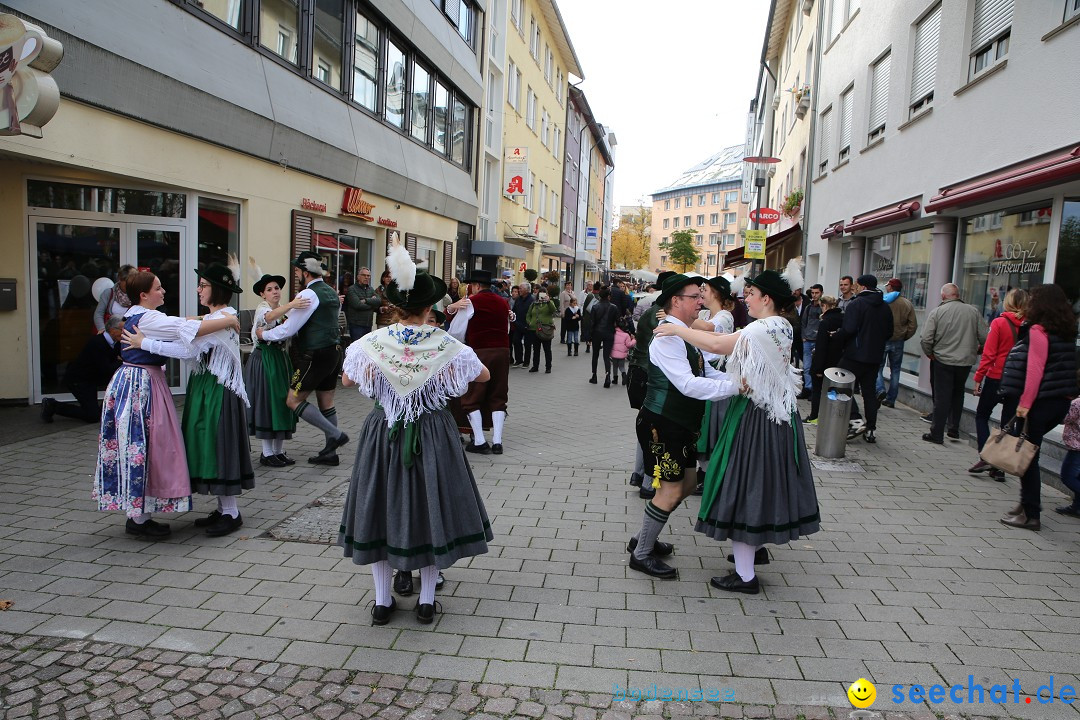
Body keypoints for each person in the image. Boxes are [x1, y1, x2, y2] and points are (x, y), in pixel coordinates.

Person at [338, 257, 493, 625]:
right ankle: (425, 602)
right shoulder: (444, 342)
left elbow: (346, 380)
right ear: (429, 308)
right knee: (429, 506)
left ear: (394, 307)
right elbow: (482, 375)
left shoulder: (373, 341)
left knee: (377, 507)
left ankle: (380, 601)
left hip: (383, 429)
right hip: (432, 430)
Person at [654, 269, 818, 594]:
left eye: (751, 293)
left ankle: (745, 577)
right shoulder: (781, 324)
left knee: (744, 487)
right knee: (761, 484)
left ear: (766, 298)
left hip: (757, 417)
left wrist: (677, 329)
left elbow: (717, 342)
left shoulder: (764, 327)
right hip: (775, 415)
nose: (746, 298)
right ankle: (755, 552)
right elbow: (718, 338)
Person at [94, 271, 240, 538]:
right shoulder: (149, 317)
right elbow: (184, 332)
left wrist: (217, 319)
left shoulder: (138, 315)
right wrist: (228, 320)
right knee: (146, 443)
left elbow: (180, 324)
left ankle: (138, 515)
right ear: (144, 295)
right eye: (159, 288)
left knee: (140, 444)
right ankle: (138, 518)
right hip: (142, 384)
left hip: (135, 381)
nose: (163, 292)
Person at [628, 274, 736, 579]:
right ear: (677, 301)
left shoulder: (684, 333)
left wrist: (735, 382)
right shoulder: (667, 337)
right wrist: (735, 389)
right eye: (695, 297)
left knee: (687, 485)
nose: (701, 302)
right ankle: (641, 553)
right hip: (663, 424)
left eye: (701, 296)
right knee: (671, 490)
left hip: (680, 423)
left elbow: (704, 370)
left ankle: (644, 536)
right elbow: (688, 384)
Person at [257, 251, 350, 466]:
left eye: (298, 270)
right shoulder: (330, 291)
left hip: (315, 354)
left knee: (293, 400)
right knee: (326, 401)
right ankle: (330, 454)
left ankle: (335, 434)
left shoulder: (308, 295)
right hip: (334, 351)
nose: (296, 274)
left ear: (306, 272)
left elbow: (288, 329)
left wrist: (264, 335)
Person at [996, 284, 1077, 530]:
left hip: (1039, 403)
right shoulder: (1066, 331)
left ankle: (1031, 514)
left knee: (1028, 457)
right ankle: (1025, 504)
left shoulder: (1039, 331)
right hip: (1059, 402)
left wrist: (1024, 406)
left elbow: (1035, 371)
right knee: (1032, 453)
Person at [447, 270, 513, 454]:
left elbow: (456, 332)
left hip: (479, 352)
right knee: (498, 394)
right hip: (502, 352)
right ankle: (498, 442)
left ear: (475, 286)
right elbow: (506, 328)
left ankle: (480, 441)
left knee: (472, 395)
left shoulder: (471, 302)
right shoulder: (503, 302)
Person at [626, 271, 676, 493]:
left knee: (645, 426)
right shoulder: (662, 314)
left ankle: (638, 474)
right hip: (650, 376)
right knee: (653, 428)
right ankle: (647, 481)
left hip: (639, 372)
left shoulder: (654, 310)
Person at [920, 283, 988, 446]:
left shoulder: (937, 312)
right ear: (958, 295)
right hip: (964, 361)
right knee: (958, 393)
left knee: (942, 396)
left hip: (942, 359)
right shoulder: (973, 312)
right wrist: (977, 350)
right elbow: (985, 337)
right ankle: (953, 428)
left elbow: (926, 338)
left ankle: (937, 432)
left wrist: (930, 353)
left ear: (943, 296)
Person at [969, 288, 1026, 480]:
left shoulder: (1000, 323)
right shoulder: (1029, 326)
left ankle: (987, 457)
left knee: (982, 415)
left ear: (1008, 302)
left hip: (997, 376)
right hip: (1018, 380)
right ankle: (998, 467)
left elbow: (989, 354)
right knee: (1007, 423)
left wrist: (978, 378)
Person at [244, 274, 299, 468]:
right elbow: (269, 318)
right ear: (262, 294)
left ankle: (278, 450)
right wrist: (293, 304)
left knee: (282, 402)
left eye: (276, 288)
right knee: (268, 403)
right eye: (269, 289)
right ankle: (267, 453)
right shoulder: (263, 310)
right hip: (265, 359)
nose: (275, 291)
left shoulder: (282, 311)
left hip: (280, 359)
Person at [690, 276, 736, 493]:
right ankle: (704, 471)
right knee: (704, 427)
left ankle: (711, 474)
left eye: (705, 289)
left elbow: (707, 328)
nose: (702, 293)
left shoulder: (724, 316)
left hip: (718, 377)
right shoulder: (705, 313)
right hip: (704, 375)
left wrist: (679, 318)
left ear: (716, 292)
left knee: (712, 428)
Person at [836, 275, 893, 443]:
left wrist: (838, 337)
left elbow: (849, 329)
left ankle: (855, 419)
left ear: (861, 287)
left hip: (855, 354)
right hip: (875, 356)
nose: (855, 288)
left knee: (838, 383)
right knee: (869, 393)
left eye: (857, 286)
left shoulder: (857, 304)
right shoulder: (884, 306)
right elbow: (889, 332)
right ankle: (871, 429)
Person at [42, 315, 123, 423]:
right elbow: (106, 368)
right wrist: (120, 361)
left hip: (91, 379)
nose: (124, 333)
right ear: (113, 330)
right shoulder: (98, 343)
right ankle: (53, 405)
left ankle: (105, 410)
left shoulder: (115, 343)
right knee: (92, 416)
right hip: (79, 381)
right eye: (122, 330)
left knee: (96, 411)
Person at [875, 278, 917, 409]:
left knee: (878, 367)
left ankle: (880, 389)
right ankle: (891, 399)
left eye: (887, 286)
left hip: (883, 338)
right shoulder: (907, 303)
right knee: (896, 370)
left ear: (891, 288)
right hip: (898, 340)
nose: (886, 288)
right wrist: (904, 336)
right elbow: (913, 325)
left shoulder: (883, 302)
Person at [805, 295, 843, 424]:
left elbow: (821, 346)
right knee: (833, 391)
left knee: (817, 391)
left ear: (824, 306)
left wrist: (817, 368)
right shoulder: (843, 319)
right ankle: (832, 417)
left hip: (824, 362)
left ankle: (814, 416)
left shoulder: (825, 321)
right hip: (838, 361)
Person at [589, 288, 620, 387]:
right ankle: (607, 376)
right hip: (609, 333)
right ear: (608, 296)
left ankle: (594, 376)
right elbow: (618, 322)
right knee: (606, 356)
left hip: (597, 333)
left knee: (595, 355)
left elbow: (592, 323)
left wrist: (589, 337)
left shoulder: (595, 307)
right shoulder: (614, 307)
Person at [1055, 396, 1080, 519]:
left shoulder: (1077, 403)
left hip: (1077, 448)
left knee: (1068, 477)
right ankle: (1077, 507)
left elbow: (1063, 418)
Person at [93, 264, 136, 332]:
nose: (129, 284)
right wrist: (102, 330)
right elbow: (98, 313)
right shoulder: (108, 293)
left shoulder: (137, 295)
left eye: (131, 281)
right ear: (120, 279)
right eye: (126, 281)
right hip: (110, 332)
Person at [344, 267, 381, 342]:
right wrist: (372, 303)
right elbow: (358, 305)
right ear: (358, 277)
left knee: (366, 348)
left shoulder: (370, 289)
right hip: (356, 325)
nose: (366, 277)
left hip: (368, 324)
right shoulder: (352, 289)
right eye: (364, 275)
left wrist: (366, 300)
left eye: (368, 276)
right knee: (357, 348)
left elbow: (379, 301)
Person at [799, 284, 823, 395]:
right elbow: (803, 323)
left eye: (816, 293)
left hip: (818, 340)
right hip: (807, 340)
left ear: (821, 293)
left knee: (817, 367)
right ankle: (808, 388)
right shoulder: (808, 307)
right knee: (807, 367)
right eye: (812, 293)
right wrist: (803, 336)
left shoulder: (823, 307)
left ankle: (815, 389)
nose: (814, 295)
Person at [526, 291, 557, 373]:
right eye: (540, 294)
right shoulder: (534, 304)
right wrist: (529, 321)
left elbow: (553, 310)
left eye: (544, 294)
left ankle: (548, 367)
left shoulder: (549, 303)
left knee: (547, 349)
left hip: (545, 330)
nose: (542, 296)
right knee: (536, 349)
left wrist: (548, 301)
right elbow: (528, 314)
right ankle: (535, 366)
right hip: (534, 329)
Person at [511, 282, 534, 368]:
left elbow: (533, 313)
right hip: (518, 324)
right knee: (516, 341)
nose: (519, 290)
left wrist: (530, 322)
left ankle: (526, 362)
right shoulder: (518, 299)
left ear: (527, 290)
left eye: (521, 289)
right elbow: (514, 310)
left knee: (528, 344)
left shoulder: (532, 300)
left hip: (528, 325)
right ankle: (519, 360)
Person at [610, 318, 636, 387]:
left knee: (615, 366)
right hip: (622, 354)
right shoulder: (626, 335)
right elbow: (629, 345)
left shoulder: (613, 333)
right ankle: (624, 376)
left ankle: (615, 379)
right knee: (622, 366)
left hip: (614, 354)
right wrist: (633, 340)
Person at [581, 282, 599, 353]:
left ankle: (588, 345)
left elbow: (585, 306)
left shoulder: (590, 295)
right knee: (595, 332)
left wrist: (584, 315)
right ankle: (596, 345)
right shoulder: (600, 296)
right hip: (597, 317)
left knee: (588, 330)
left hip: (589, 316)